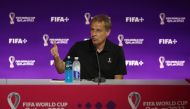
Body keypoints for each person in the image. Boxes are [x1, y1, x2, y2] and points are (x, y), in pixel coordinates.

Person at [51, 14, 127, 80]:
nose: (93, 34)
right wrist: (56, 57)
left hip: (107, 93)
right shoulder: (79, 47)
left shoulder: (117, 51)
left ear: (108, 32)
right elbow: (61, 69)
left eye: (98, 30)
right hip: (83, 92)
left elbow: (118, 82)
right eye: (92, 29)